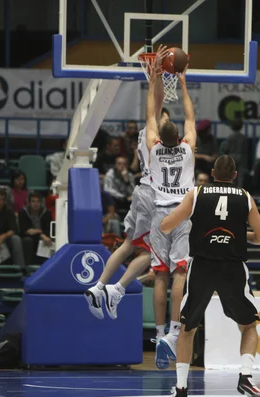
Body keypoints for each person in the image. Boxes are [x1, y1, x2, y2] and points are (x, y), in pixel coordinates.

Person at [159, 155, 260, 397]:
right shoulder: (245, 196)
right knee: (249, 326)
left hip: (202, 266)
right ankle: (245, 378)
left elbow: (165, 226)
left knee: (187, 328)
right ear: (235, 175)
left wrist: (187, 223)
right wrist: (241, 235)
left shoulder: (197, 193)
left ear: (211, 173)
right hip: (232, 267)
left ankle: (180, 388)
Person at [84, 46, 169, 334]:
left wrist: (156, 76)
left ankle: (99, 287)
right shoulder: (153, 131)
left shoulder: (154, 136)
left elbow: (157, 104)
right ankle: (118, 288)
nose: (167, 120)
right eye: (165, 117)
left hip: (143, 192)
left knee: (129, 245)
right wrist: (155, 76)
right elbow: (156, 103)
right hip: (154, 197)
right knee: (157, 255)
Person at [144, 56, 197, 370]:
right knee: (180, 273)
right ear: (180, 138)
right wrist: (183, 83)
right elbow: (190, 116)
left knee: (160, 276)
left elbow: (151, 113)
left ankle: (159, 332)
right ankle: (174, 334)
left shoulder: (151, 148)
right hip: (182, 216)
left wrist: (153, 80)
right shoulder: (189, 149)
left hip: (159, 218)